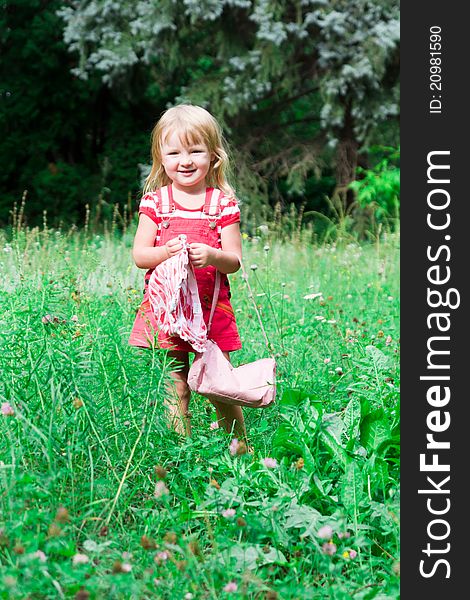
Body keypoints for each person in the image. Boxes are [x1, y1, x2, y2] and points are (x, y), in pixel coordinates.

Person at [129, 104, 247, 441]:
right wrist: (166, 252)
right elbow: (140, 255)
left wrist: (211, 255)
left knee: (218, 384)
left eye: (196, 151)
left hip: (210, 311)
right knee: (175, 385)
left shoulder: (222, 204)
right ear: (161, 158)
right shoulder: (156, 203)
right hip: (167, 311)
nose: (186, 160)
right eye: (175, 152)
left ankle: (238, 447)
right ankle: (185, 452)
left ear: (213, 156)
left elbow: (234, 261)